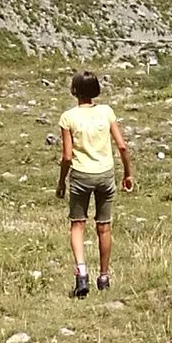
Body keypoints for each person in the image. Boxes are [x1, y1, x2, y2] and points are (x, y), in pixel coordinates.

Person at [56, 69, 131, 296]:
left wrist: (61, 182)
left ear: (74, 91)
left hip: (80, 174)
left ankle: (81, 273)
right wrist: (128, 173)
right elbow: (122, 146)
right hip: (105, 174)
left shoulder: (68, 117)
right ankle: (104, 276)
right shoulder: (107, 112)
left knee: (78, 225)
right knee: (104, 226)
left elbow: (67, 157)